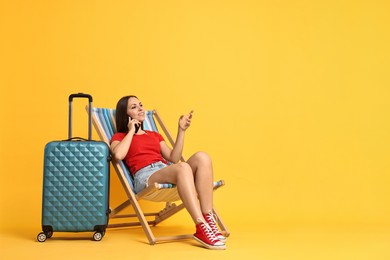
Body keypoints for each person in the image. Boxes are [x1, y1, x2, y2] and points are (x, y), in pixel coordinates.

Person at [110, 95, 226, 250]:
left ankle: (208, 219)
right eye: (134, 107)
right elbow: (118, 156)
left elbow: (174, 157)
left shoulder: (154, 135)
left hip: (164, 169)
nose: (140, 108)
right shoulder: (120, 137)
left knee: (202, 157)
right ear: (125, 115)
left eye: (141, 105)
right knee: (183, 167)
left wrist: (181, 130)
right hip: (145, 176)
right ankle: (200, 226)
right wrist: (131, 131)